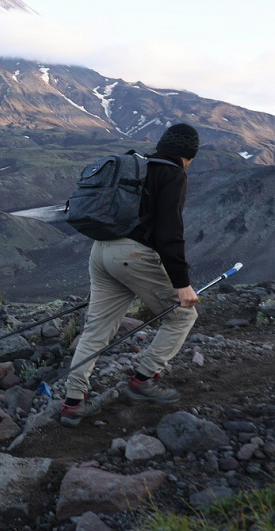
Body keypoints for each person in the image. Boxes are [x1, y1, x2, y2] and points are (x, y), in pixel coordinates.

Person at [61, 123, 201, 427]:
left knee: (96, 329)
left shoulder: (139, 167)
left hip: (101, 250)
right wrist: (182, 284)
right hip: (133, 256)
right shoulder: (174, 174)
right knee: (182, 316)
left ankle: (73, 403)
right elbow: (169, 232)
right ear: (188, 154)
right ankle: (142, 379)